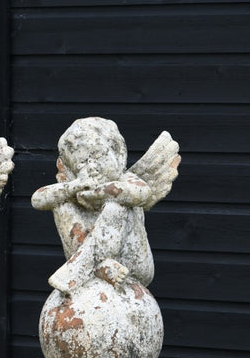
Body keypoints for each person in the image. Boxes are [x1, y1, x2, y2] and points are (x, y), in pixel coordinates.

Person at [32, 118, 179, 294]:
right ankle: (97, 266)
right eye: (82, 163)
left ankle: (81, 266)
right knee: (61, 204)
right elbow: (38, 199)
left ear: (118, 154)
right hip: (97, 262)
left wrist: (101, 193)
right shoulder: (76, 186)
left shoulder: (125, 180)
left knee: (116, 205)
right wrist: (74, 187)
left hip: (132, 263)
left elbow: (142, 193)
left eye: (97, 156)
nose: (92, 167)